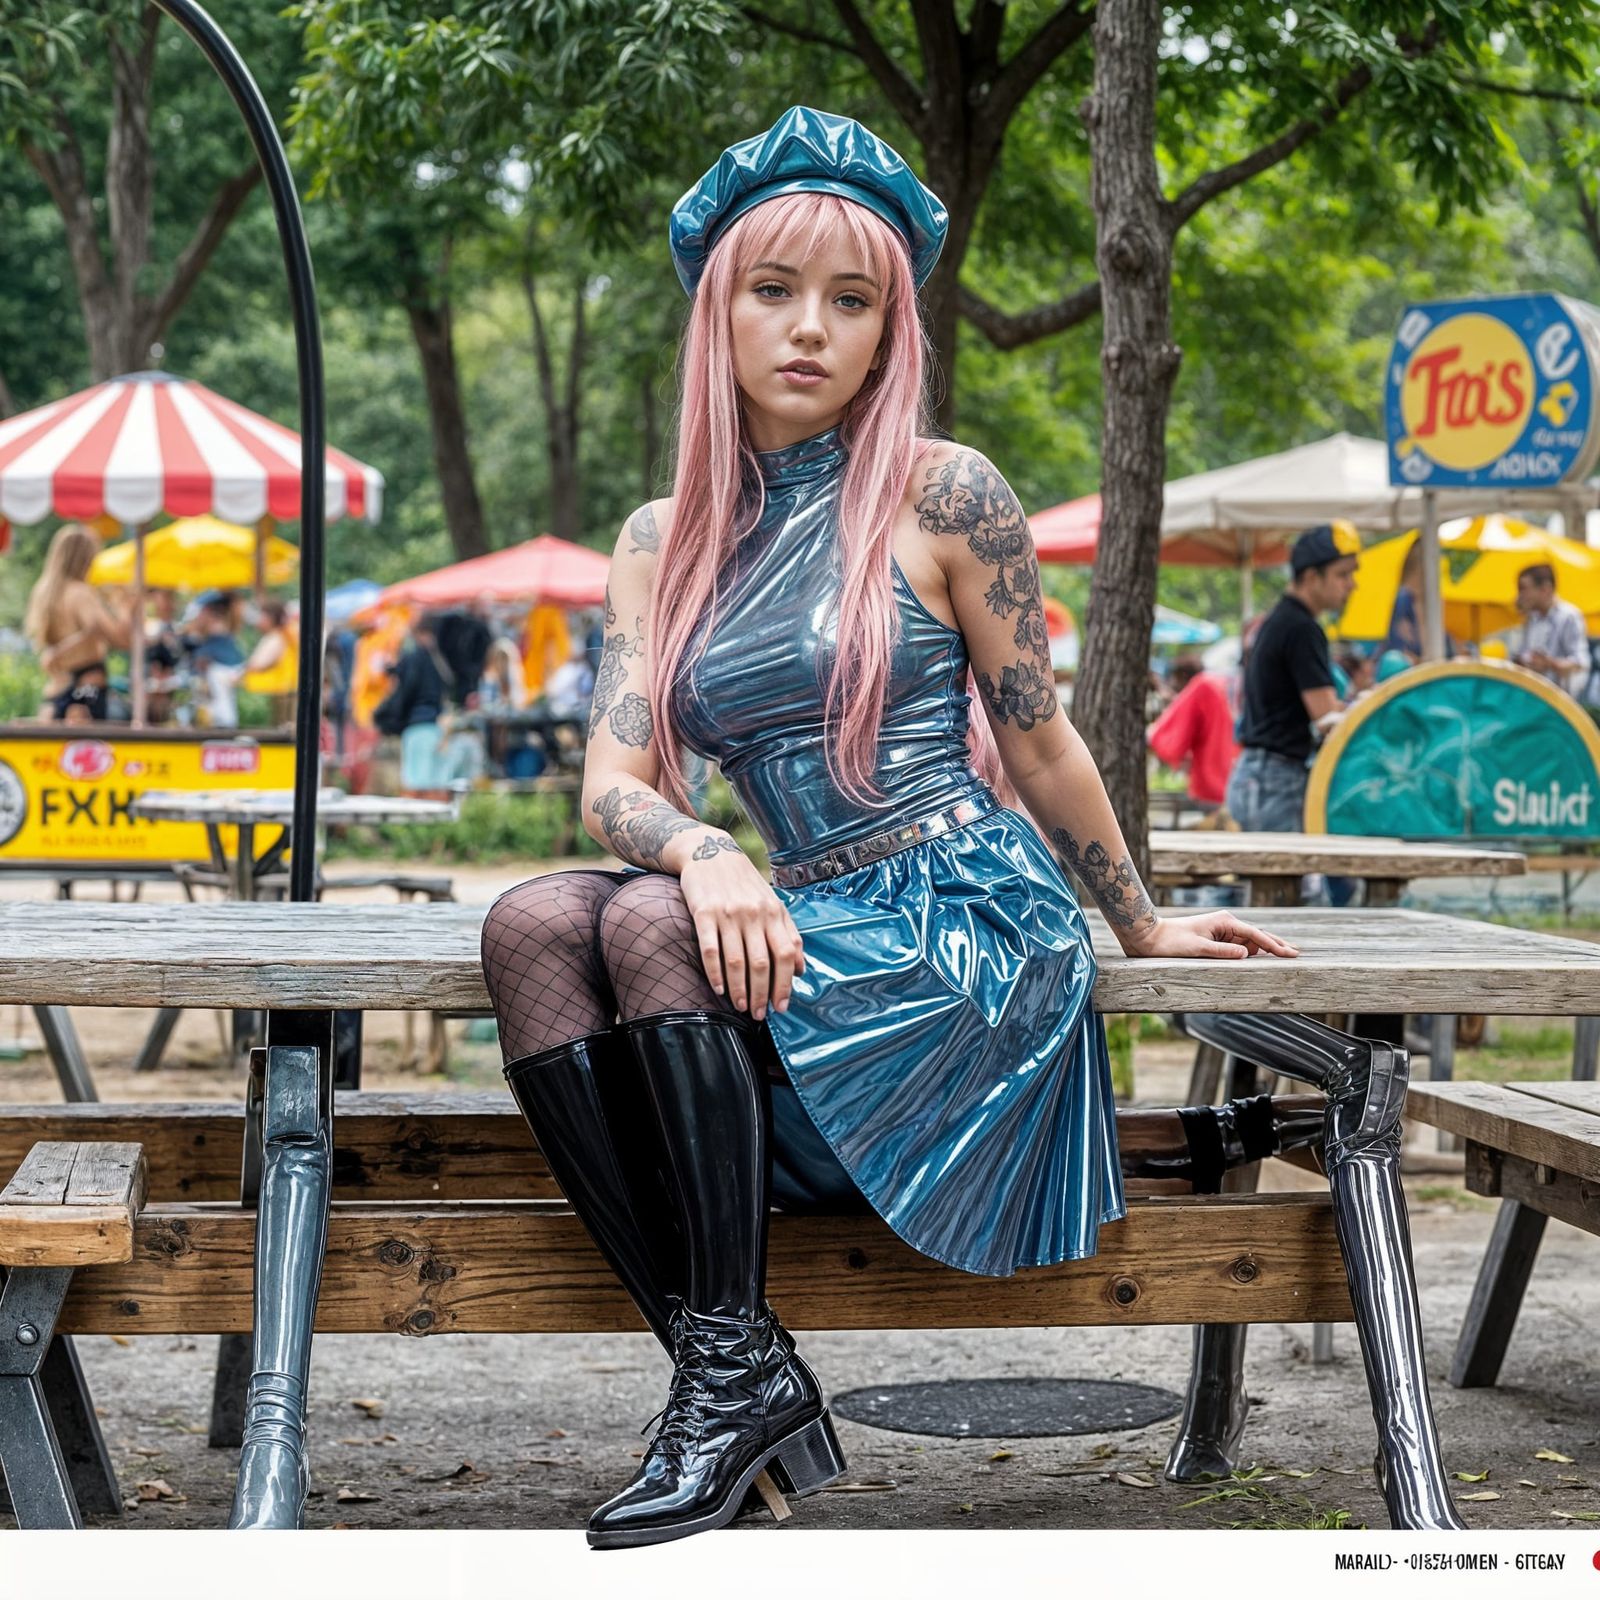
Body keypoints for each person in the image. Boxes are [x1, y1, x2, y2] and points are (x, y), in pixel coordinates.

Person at [468, 108, 1298, 1553]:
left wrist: (1141, 920)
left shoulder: (943, 492)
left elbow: (1040, 740)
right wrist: (708, 846)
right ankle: (736, 1373)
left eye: (851, 301)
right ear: (717, 311)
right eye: (773, 289)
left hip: (962, 924)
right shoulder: (661, 538)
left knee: (645, 919)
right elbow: (610, 783)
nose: (810, 327)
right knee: (534, 920)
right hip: (798, 916)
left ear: (887, 332)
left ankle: (730, 1389)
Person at [1225, 523, 1358, 833]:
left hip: (1256, 775)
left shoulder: (1279, 620)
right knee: (1285, 868)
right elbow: (1327, 718)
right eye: (1342, 575)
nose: (1352, 585)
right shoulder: (1301, 628)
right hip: (1276, 781)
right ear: (1311, 577)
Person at [23, 522, 135, 716]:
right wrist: (125, 607)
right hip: (86, 690)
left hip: (57, 688)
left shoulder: (44, 592)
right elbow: (117, 638)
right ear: (86, 557)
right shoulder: (80, 593)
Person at [1147, 656, 1238, 806]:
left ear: (1182, 676)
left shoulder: (1201, 687)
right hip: (1233, 783)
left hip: (1209, 785)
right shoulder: (1220, 684)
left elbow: (1170, 745)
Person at [1511, 562, 1587, 692]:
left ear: (1545, 589)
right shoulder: (1532, 618)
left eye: (1524, 589)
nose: (1520, 595)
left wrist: (1550, 664)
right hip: (1534, 695)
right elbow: (1524, 655)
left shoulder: (1568, 616)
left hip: (1559, 698)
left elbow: (1579, 664)